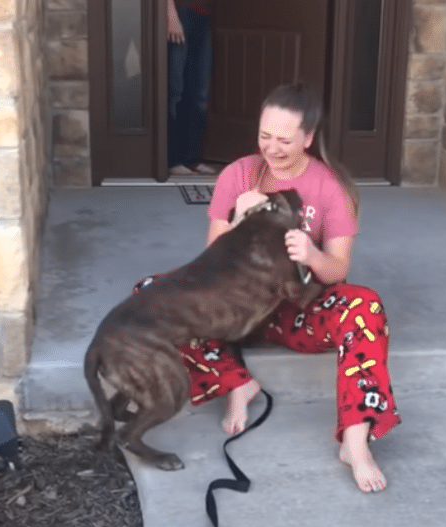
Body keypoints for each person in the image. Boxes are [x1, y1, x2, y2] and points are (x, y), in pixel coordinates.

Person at [132, 83, 402, 492]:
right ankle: (236, 382)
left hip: (296, 311)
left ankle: (355, 439)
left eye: (284, 140)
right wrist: (239, 223)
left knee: (366, 306)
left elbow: (337, 269)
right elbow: (210, 265)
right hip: (238, 309)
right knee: (150, 295)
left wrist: (311, 254)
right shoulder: (238, 174)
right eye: (264, 136)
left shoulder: (331, 188)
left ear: (308, 138)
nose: (271, 148)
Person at [167, 0, 216, 176]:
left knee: (199, 92)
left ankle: (192, 158)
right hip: (180, 12)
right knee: (175, 90)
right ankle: (172, 160)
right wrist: (170, 13)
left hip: (202, 13)